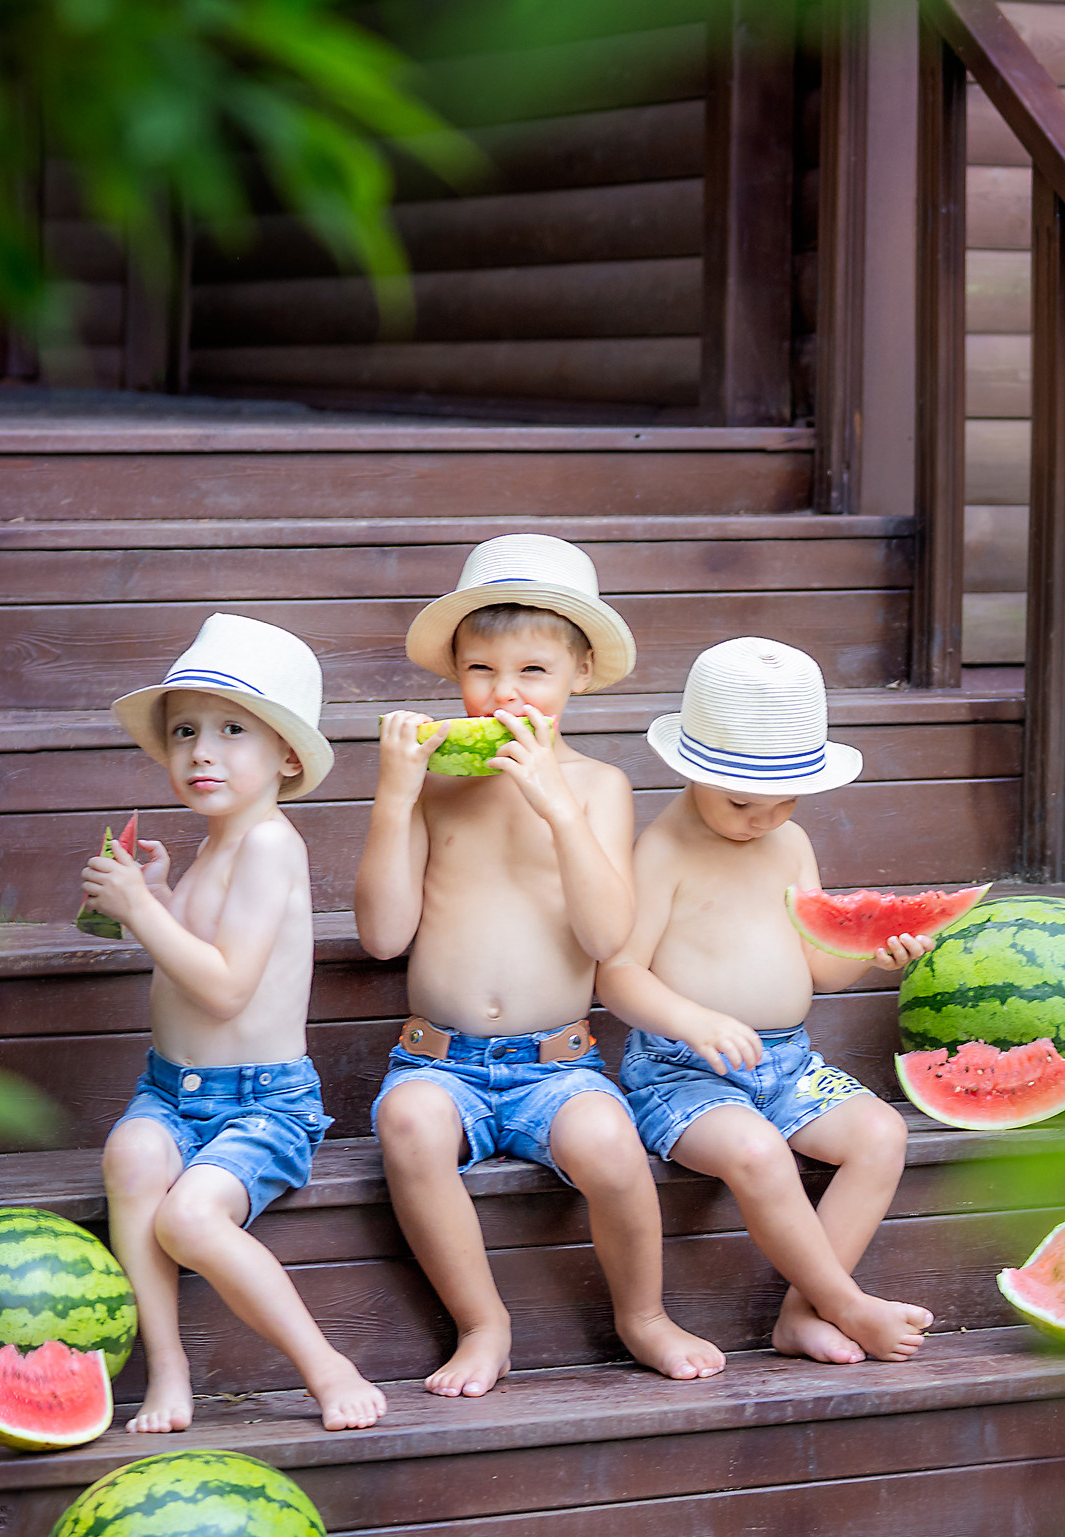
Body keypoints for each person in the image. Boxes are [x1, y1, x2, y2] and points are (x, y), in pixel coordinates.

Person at [357, 533, 725, 1398]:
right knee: (408, 1127)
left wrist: (558, 812)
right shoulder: (432, 784)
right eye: (480, 670)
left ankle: (643, 1315)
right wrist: (393, 795)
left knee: (611, 1145)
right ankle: (483, 1323)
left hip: (559, 1065)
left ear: (580, 677)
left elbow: (605, 939)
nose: (501, 694)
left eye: (532, 672)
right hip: (437, 1060)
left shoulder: (596, 787)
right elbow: (381, 934)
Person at [85, 613, 386, 1432]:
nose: (199, 752)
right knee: (131, 1153)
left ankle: (327, 1365)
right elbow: (191, 944)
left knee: (188, 1218)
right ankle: (168, 1372)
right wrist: (160, 890)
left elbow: (224, 989)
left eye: (230, 732)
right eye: (183, 732)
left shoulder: (269, 847)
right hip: (169, 1091)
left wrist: (143, 912)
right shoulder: (218, 842)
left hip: (261, 1102)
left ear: (287, 756)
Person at [596, 637, 933, 1365]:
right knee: (758, 1153)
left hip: (788, 1065)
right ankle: (848, 1304)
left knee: (882, 1136)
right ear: (689, 772)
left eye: (786, 801)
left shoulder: (791, 842)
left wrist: (872, 956)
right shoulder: (662, 852)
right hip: (681, 1074)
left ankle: (802, 1312)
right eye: (744, 801)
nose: (764, 818)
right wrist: (693, 1018)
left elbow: (817, 968)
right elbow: (616, 974)